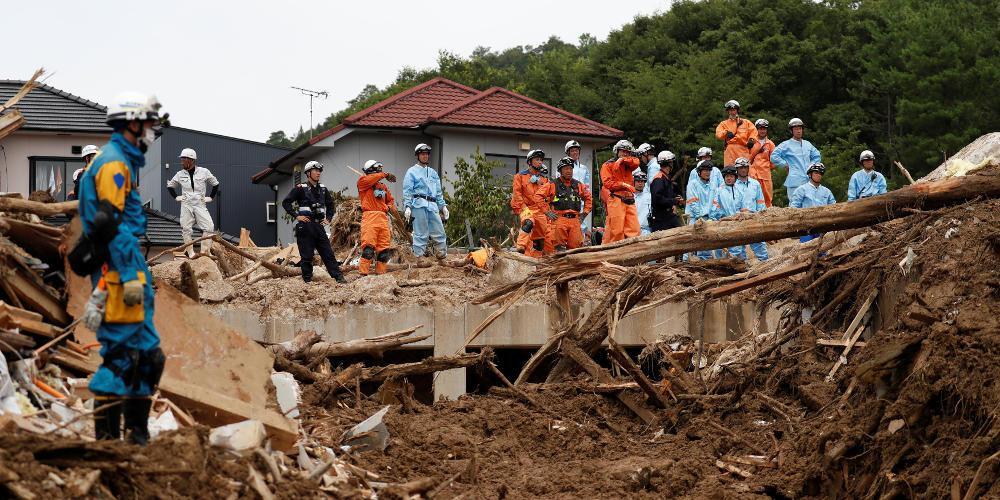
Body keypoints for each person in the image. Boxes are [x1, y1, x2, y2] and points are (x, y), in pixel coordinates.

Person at [74, 92, 167, 445]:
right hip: (121, 275)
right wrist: (125, 279)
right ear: (131, 124)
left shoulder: (120, 161)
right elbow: (108, 226)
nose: (150, 133)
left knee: (147, 357)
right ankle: (109, 442)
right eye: (146, 125)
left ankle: (136, 439)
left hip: (129, 272)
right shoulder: (113, 164)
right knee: (122, 357)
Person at [281, 161, 347, 283]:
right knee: (307, 256)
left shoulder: (323, 189)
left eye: (319, 171)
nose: (318, 173)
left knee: (328, 253)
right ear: (308, 173)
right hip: (305, 226)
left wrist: (328, 218)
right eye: (315, 171)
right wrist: (296, 216)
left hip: (319, 226)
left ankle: (339, 278)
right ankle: (307, 281)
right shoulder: (300, 188)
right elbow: (286, 202)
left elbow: (331, 204)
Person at [167, 148, 219, 258]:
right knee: (186, 229)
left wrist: (211, 197)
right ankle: (190, 253)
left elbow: (215, 184)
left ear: (191, 160)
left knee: (209, 227)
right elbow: (170, 186)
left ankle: (205, 252)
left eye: (183, 159)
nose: (181, 162)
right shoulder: (179, 174)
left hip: (200, 204)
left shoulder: (204, 172)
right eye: (181, 159)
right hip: (186, 205)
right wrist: (176, 197)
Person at [535, 156, 592, 251]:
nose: (569, 171)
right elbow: (538, 196)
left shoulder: (578, 185)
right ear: (560, 170)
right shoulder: (553, 184)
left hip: (575, 220)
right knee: (558, 250)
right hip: (559, 220)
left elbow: (588, 198)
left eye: (570, 168)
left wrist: (584, 213)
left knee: (575, 250)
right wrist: (547, 212)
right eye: (566, 169)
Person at [403, 143, 449, 260]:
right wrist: (407, 206)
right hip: (418, 204)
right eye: (422, 154)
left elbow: (438, 192)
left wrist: (443, 206)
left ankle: (441, 254)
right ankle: (419, 257)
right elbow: (407, 191)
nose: (425, 156)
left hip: (433, 205)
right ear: (417, 156)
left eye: (427, 154)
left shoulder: (433, 173)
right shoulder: (411, 172)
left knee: (439, 230)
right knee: (420, 232)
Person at [357, 160, 398, 275]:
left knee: (384, 251)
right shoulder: (363, 182)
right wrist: (385, 174)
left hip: (383, 218)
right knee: (368, 249)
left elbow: (390, 200)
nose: (381, 171)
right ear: (372, 170)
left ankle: (380, 274)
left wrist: (389, 207)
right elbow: (370, 179)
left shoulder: (382, 186)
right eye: (379, 169)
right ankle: (363, 274)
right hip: (370, 217)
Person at [512, 150, 553, 257]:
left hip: (540, 211)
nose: (540, 162)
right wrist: (523, 208)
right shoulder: (520, 176)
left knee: (539, 240)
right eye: (537, 159)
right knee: (528, 222)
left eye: (541, 160)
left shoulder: (544, 179)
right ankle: (520, 246)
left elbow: (549, 196)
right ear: (530, 162)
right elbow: (517, 194)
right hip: (526, 207)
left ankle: (534, 261)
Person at [600, 140, 641, 243]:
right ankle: (616, 255)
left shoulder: (628, 164)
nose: (625, 153)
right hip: (616, 199)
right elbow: (608, 183)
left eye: (627, 152)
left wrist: (623, 160)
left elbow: (636, 161)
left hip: (629, 199)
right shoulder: (607, 165)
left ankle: (632, 253)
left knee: (634, 230)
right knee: (617, 231)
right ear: (617, 151)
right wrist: (623, 184)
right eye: (622, 151)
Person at [771, 118, 821, 201]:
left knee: (810, 205)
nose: (798, 131)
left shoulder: (807, 144)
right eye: (796, 129)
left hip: (809, 180)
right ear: (791, 131)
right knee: (795, 206)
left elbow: (817, 156)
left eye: (800, 129)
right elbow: (773, 156)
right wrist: (785, 165)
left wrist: (811, 166)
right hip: (794, 181)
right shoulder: (786, 144)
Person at [790, 162, 836, 243]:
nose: (819, 175)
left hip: (822, 226)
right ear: (809, 174)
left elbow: (834, 208)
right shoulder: (801, 190)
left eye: (821, 173)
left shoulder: (827, 192)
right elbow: (793, 209)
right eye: (816, 172)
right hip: (806, 227)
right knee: (806, 250)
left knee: (823, 251)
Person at [733, 158, 769, 261]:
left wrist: (761, 217)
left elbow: (760, 202)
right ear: (737, 169)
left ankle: (765, 267)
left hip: (754, 218)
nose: (743, 170)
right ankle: (741, 269)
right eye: (741, 168)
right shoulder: (732, 184)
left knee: (759, 245)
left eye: (745, 167)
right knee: (738, 248)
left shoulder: (755, 184)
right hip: (738, 219)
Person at [709, 165, 746, 259]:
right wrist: (715, 219)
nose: (729, 178)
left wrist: (744, 215)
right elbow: (714, 207)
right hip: (723, 222)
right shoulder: (719, 191)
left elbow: (744, 207)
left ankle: (741, 265)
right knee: (721, 247)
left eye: (731, 176)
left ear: (735, 177)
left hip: (738, 223)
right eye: (727, 176)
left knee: (739, 247)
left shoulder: (740, 191)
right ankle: (722, 268)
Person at [684, 160, 717, 260]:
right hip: (694, 218)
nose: (707, 172)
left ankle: (705, 266)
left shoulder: (713, 185)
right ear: (699, 172)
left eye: (709, 170)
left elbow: (715, 202)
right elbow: (693, 202)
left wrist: (712, 216)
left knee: (705, 246)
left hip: (707, 218)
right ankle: (685, 265)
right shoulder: (692, 184)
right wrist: (699, 216)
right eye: (705, 170)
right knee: (689, 244)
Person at [564, 140, 593, 243]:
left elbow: (587, 186)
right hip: (568, 200)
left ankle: (582, 242)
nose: (575, 153)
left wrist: (587, 198)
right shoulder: (562, 166)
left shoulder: (584, 168)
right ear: (568, 152)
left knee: (581, 221)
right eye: (572, 151)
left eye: (576, 150)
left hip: (581, 200)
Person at [649, 150, 683, 231]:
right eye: (672, 162)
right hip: (661, 220)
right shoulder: (659, 179)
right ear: (669, 163)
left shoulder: (665, 178)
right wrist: (673, 201)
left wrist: (676, 199)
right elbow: (657, 199)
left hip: (668, 216)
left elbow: (666, 195)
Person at [715, 100, 756, 166]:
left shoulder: (746, 122)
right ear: (728, 111)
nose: (732, 112)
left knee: (745, 171)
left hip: (743, 149)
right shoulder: (723, 123)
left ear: (737, 110)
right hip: (730, 150)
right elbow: (718, 134)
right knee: (730, 171)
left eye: (734, 110)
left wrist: (751, 140)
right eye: (730, 110)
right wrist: (726, 133)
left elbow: (754, 132)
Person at [747, 119, 776, 207]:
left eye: (764, 129)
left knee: (767, 197)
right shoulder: (751, 142)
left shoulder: (770, 144)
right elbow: (746, 157)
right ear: (757, 129)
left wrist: (766, 167)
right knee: (752, 196)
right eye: (760, 128)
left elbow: (773, 161)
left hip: (765, 175)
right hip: (752, 174)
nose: (762, 131)